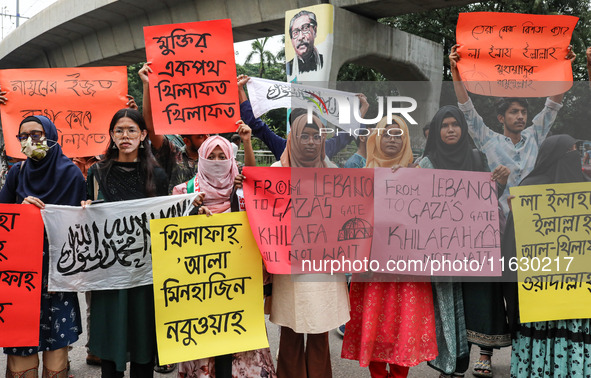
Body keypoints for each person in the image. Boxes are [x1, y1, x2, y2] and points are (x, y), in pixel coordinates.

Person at [341, 116, 438, 378]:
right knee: (375, 327)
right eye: (387, 134)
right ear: (377, 138)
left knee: (404, 327)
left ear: (406, 140)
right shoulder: (361, 176)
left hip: (408, 269)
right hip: (372, 267)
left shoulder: (419, 176)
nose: (392, 139)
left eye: (398, 135)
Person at [418, 106, 510, 378]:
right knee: (450, 304)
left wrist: (500, 184)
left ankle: (484, 354)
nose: (450, 130)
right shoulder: (426, 163)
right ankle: (452, 364)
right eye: (444, 125)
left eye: (455, 125)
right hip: (443, 250)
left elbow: (487, 197)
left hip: (475, 247)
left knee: (480, 299)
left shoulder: (477, 157)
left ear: (463, 129)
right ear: (436, 131)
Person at [175, 134, 276, 378]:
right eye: (211, 157)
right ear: (201, 158)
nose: (218, 161)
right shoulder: (183, 192)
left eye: (223, 157)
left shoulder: (245, 191)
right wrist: (190, 209)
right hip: (200, 287)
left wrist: (248, 197)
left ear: (232, 159)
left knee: (239, 342)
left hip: (239, 285)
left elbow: (266, 224)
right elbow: (172, 239)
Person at [82, 108, 168, 378]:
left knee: (142, 340)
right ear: (111, 135)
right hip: (109, 272)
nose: (125, 136)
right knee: (111, 341)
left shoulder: (158, 174)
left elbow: (166, 218)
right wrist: (85, 208)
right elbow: (87, 219)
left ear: (143, 134)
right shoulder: (97, 173)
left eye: (131, 130)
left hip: (145, 272)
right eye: (119, 130)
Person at [0, 115, 85, 378]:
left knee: (56, 343)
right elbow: (3, 215)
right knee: (19, 339)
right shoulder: (17, 173)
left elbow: (79, 225)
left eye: (35, 135)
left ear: (50, 135)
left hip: (56, 272)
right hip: (21, 272)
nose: (29, 141)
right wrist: (21, 212)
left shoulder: (71, 174)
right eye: (22, 136)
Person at [449, 44, 575, 217]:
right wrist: (455, 72)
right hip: (499, 219)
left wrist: (564, 67)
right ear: (501, 118)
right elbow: (467, 110)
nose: (521, 117)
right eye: (514, 112)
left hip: (533, 218)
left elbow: (552, 107)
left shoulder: (534, 136)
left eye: (523, 112)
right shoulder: (488, 140)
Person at [270, 113, 350, 378]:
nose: (311, 142)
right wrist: (244, 185)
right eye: (304, 136)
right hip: (289, 266)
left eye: (317, 137)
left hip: (324, 267)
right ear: (293, 138)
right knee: (291, 329)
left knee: (320, 328)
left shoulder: (334, 174)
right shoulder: (275, 173)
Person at [503, 135, 589, 377]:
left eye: (576, 150)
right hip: (538, 299)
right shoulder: (528, 192)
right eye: (569, 152)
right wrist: (518, 217)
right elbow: (512, 248)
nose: (575, 156)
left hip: (576, 297)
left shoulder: (585, 192)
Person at [237, 75, 367, 161]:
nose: (311, 142)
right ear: (293, 132)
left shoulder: (325, 148)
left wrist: (363, 110)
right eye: (304, 135)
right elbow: (256, 125)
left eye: (315, 135)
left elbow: (349, 132)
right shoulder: (283, 148)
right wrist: (240, 90)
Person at [139, 62, 209, 192]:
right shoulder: (172, 154)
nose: (207, 138)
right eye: (200, 136)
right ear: (186, 140)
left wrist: (246, 141)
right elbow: (151, 127)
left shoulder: (216, 157)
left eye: (208, 134)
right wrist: (147, 85)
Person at [286, 10, 324, 76]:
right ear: (291, 39)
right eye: (295, 33)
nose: (300, 37)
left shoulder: (325, 62)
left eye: (305, 28)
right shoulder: (289, 68)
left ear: (314, 31)